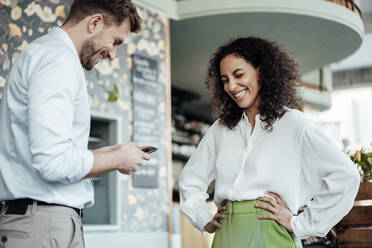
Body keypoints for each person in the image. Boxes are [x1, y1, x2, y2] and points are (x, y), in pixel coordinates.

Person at [179, 37, 360, 248]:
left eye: (239, 75)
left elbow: (346, 175)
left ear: (261, 71)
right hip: (226, 233)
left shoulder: (293, 123)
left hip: (271, 231)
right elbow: (190, 179)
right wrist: (204, 219)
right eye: (225, 79)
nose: (231, 86)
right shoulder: (221, 128)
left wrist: (301, 224)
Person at [0, 1, 148, 247]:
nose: (113, 54)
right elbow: (53, 162)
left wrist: (113, 153)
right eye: (115, 42)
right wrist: (119, 159)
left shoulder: (49, 54)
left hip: (43, 224)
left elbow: (53, 153)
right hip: (41, 226)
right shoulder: (57, 59)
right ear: (95, 23)